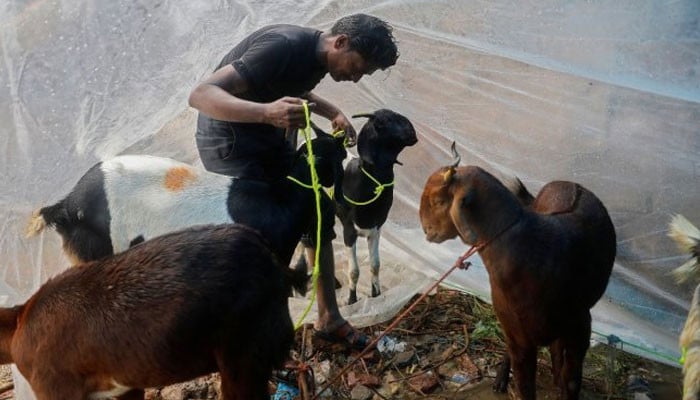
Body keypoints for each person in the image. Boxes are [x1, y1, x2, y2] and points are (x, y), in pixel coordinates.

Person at [188, 13, 399, 348]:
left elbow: (296, 92)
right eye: (358, 67)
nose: (357, 78)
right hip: (231, 144)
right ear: (340, 42)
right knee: (264, 236)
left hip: (268, 139)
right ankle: (248, 335)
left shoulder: (318, 60)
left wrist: (334, 114)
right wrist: (266, 113)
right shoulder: (282, 47)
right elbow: (201, 94)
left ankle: (329, 318)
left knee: (316, 210)